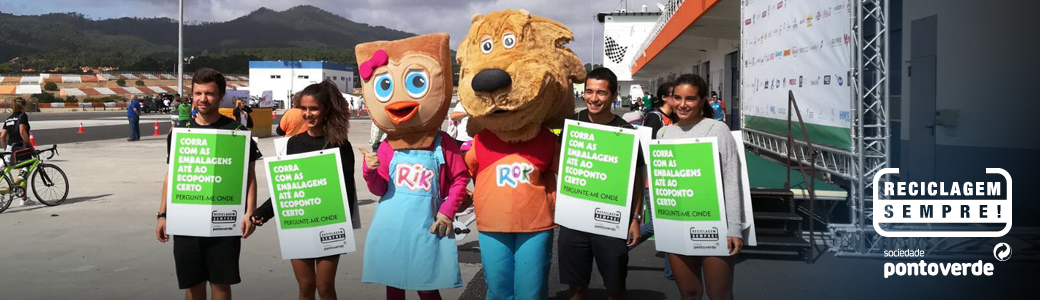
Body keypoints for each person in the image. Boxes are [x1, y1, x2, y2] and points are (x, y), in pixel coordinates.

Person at [155, 68, 262, 300]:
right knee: (192, 285)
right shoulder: (180, 133)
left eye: (210, 93)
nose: (203, 99)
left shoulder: (237, 131)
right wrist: (162, 214)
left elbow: (250, 177)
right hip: (186, 220)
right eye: (198, 93)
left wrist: (249, 213)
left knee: (221, 284)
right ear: (192, 95)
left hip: (225, 222)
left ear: (221, 95)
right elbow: (171, 175)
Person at [252, 81, 359, 300]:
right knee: (305, 286)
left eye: (313, 108)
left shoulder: (340, 145)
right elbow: (288, 188)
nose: (307, 114)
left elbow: (347, 191)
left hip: (330, 225)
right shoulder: (293, 144)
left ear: (326, 110)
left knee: (325, 287)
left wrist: (340, 229)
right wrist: (262, 212)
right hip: (298, 224)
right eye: (303, 108)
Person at [558, 68, 643, 300]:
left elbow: (636, 177)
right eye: (589, 91)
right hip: (574, 221)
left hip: (611, 221)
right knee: (575, 287)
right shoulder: (570, 124)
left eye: (601, 93)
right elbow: (558, 165)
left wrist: (635, 218)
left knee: (615, 288)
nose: (593, 98)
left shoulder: (627, 131)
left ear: (614, 96)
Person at [659, 74, 743, 300]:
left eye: (690, 99)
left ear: (702, 100)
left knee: (719, 294)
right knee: (689, 292)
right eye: (677, 98)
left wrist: (734, 227)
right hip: (677, 224)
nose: (682, 104)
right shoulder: (663, 133)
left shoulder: (718, 130)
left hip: (715, 224)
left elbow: (731, 180)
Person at [631, 82, 679, 279]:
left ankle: (672, 269)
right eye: (674, 96)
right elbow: (648, 148)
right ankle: (624, 244)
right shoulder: (654, 117)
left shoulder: (675, 118)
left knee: (670, 223)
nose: (679, 100)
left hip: (673, 178)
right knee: (660, 224)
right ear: (664, 98)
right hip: (654, 179)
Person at [0, 97, 32, 205]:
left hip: (10, 148)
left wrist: (7, 150)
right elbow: (23, 132)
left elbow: (2, 137)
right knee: (25, 172)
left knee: (19, 172)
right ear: (23, 106)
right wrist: (30, 147)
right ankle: (4, 191)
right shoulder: (23, 116)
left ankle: (24, 199)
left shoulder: (8, 118)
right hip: (20, 149)